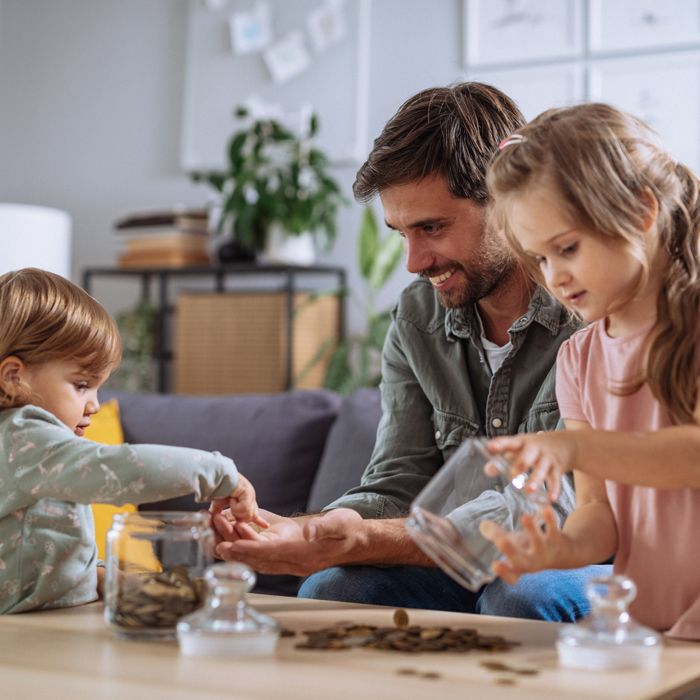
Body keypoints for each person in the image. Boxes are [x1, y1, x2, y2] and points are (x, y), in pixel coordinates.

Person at [214, 83, 610, 620]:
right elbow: (398, 480)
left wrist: (363, 541)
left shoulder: (592, 309)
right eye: (401, 232)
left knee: (521, 594)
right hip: (463, 561)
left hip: (589, 556)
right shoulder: (417, 317)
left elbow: (557, 508)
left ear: (508, 202)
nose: (415, 260)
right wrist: (317, 529)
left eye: (432, 227)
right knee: (335, 590)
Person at [481, 102, 700, 639]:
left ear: (640, 210)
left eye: (567, 248)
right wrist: (560, 548)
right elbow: (599, 513)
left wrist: (573, 448)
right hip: (650, 626)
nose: (555, 277)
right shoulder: (578, 358)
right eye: (540, 260)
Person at [0, 267, 265, 614]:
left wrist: (101, 578)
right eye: (81, 385)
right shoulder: (23, 435)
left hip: (60, 622)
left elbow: (37, 549)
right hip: (25, 636)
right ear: (13, 377)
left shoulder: (31, 449)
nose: (94, 405)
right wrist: (217, 472)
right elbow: (118, 469)